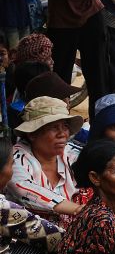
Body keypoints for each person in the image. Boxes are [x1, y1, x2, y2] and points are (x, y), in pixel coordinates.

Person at [0, 140, 63, 254]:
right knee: (40, 245)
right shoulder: (3, 209)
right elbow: (57, 238)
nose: (12, 173)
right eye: (11, 165)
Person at [7, 97, 85, 229]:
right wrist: (80, 210)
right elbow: (23, 189)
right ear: (32, 134)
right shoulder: (15, 158)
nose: (62, 134)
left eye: (65, 127)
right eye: (54, 128)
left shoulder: (72, 153)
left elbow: (101, 166)